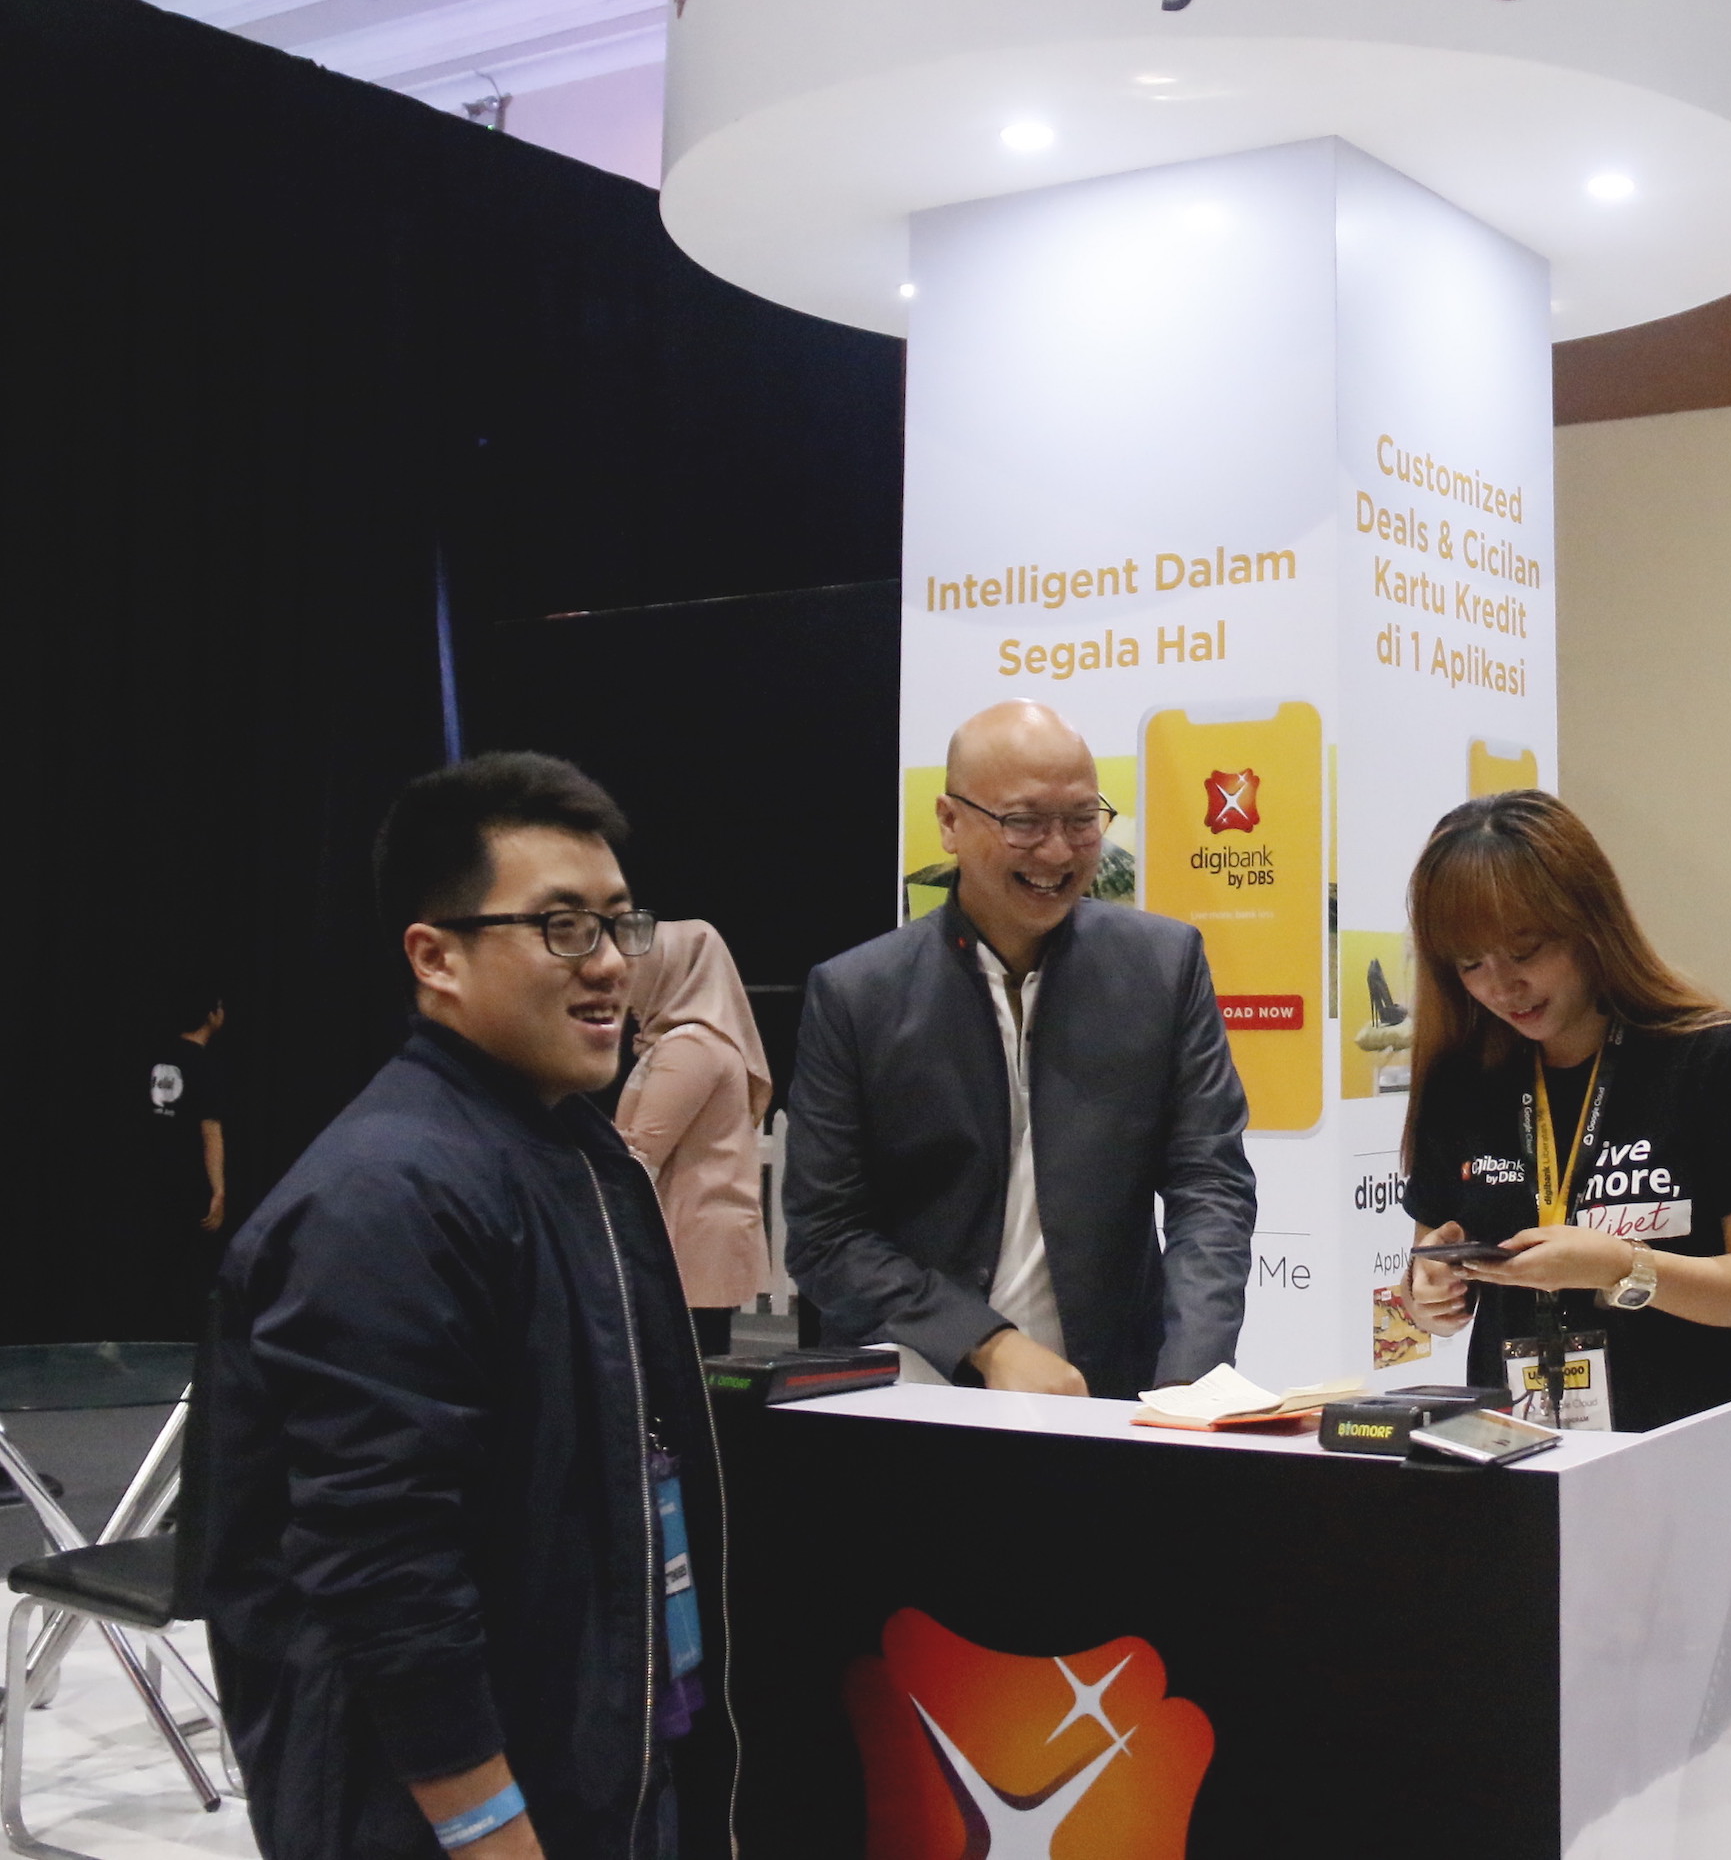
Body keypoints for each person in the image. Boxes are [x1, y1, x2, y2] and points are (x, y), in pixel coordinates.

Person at [202, 753, 728, 1860]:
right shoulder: (383, 1195)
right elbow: (383, 1569)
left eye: (620, 924)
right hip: (455, 1812)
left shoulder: (569, 1151)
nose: (609, 963)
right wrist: (488, 1829)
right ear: (435, 956)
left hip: (594, 1763)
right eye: (561, 926)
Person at [783, 701, 1256, 1399]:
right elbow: (826, 1234)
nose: (1059, 852)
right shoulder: (858, 994)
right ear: (949, 821)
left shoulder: (1163, 966)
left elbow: (1210, 1185)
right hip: (921, 1392)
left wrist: (1189, 1379)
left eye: (1082, 819)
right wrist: (987, 1344)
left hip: (1117, 1394)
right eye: (1025, 822)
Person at [1399, 789, 1731, 1434]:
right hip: (1521, 1447)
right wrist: (1428, 1293)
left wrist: (1621, 1266)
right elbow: (1428, 1263)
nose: (1502, 986)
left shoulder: (1714, 1057)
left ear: (1590, 924)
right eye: (1471, 964)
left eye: (1526, 951)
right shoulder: (1461, 1080)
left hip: (1691, 1442)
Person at [619, 919, 772, 1357]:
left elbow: (642, 1151)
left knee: (686, 1368)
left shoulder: (690, 1047)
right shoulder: (700, 1042)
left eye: (640, 970)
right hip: (700, 1233)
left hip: (689, 1238)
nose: (626, 988)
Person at [130, 973, 228, 1337]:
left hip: (151, 1176)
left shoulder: (158, 1056)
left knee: (155, 1261)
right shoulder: (204, 1065)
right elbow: (211, 1131)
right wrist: (218, 1190)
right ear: (211, 1014)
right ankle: (186, 1339)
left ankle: (146, 1333)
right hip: (188, 1180)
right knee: (191, 1267)